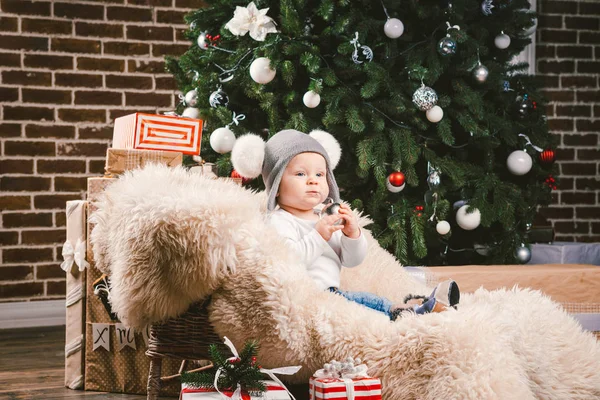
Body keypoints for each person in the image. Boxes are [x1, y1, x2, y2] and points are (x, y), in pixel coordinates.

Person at [231, 129, 459, 320]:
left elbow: (351, 260)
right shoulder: (280, 221)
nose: (313, 180)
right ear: (277, 186)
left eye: (320, 174)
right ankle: (410, 316)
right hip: (307, 302)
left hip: (333, 294)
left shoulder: (323, 217)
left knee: (373, 301)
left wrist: (352, 234)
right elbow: (288, 263)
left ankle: (412, 311)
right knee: (363, 313)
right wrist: (318, 236)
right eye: (300, 173)